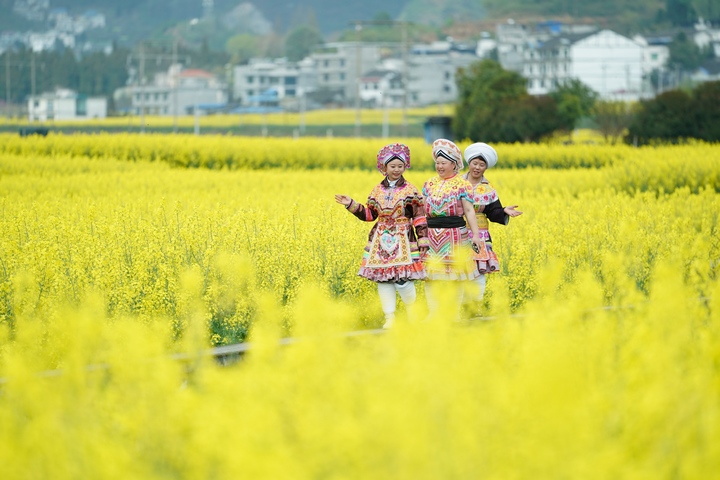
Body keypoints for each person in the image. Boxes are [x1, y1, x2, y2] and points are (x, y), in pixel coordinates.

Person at [335, 143, 428, 329]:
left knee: (403, 279)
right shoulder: (377, 190)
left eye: (400, 166)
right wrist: (351, 204)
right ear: (384, 168)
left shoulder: (410, 190)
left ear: (405, 167)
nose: (396, 170)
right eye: (392, 166)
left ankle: (413, 313)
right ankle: (390, 318)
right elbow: (370, 215)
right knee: (383, 279)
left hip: (404, 237)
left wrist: (423, 240)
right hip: (381, 237)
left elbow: (419, 216)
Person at [421, 139, 483, 318]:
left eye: (443, 163)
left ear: (454, 165)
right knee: (430, 275)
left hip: (455, 233)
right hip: (432, 234)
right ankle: (433, 313)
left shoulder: (463, 185)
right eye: (437, 163)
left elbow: (469, 211)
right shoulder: (429, 184)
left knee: (455, 275)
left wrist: (476, 236)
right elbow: (423, 209)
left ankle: (454, 313)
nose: (439, 166)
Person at [463, 142, 522, 311]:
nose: (477, 167)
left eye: (482, 165)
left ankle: (477, 305)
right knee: (460, 268)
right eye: (475, 163)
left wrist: (503, 211)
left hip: (480, 233)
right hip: (458, 231)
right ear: (469, 163)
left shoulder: (488, 189)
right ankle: (464, 306)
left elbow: (493, 211)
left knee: (479, 269)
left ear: (485, 168)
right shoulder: (456, 184)